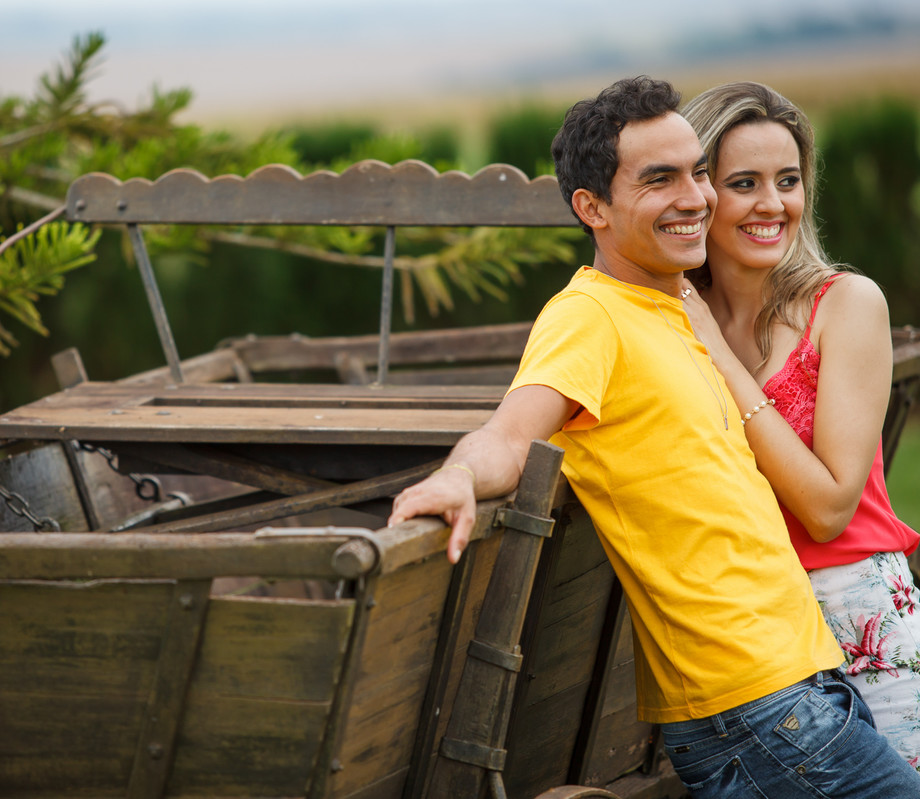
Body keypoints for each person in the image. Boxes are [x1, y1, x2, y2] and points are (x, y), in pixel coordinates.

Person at [388, 75, 920, 798]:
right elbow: (511, 433)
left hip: (801, 670)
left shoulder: (673, 306)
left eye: (697, 172)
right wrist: (458, 475)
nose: (694, 196)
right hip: (752, 698)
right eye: (660, 178)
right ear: (592, 207)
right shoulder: (590, 317)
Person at [679, 81, 920, 771]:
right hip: (750, 633)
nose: (772, 204)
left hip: (859, 616)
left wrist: (720, 358)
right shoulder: (674, 323)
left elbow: (828, 505)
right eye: (744, 182)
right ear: (699, 195)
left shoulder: (845, 304)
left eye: (788, 180)